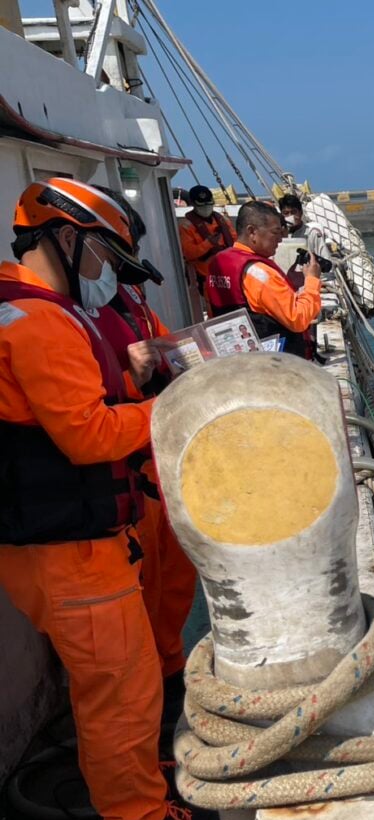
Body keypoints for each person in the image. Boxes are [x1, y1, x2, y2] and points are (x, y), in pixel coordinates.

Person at [0, 177, 215, 820]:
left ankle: (139, 782)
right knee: (119, 690)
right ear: (67, 238)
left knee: (124, 682)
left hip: (65, 544)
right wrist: (172, 410)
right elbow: (88, 436)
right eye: (100, 255)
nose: (104, 273)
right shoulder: (37, 323)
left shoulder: (30, 310)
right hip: (72, 553)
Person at [90, 188, 198, 738]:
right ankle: (156, 700)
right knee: (142, 595)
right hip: (127, 473)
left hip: (155, 465)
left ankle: (172, 669)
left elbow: (167, 348)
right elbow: (90, 413)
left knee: (174, 579)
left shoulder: (131, 304)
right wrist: (137, 379)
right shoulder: (77, 320)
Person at [205, 200, 321, 358]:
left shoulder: (217, 264)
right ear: (252, 231)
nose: (280, 240)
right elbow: (298, 320)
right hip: (275, 364)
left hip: (235, 357)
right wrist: (312, 281)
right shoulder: (261, 273)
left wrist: (289, 282)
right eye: (275, 232)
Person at [177, 185, 234, 292]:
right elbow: (189, 253)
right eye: (202, 205)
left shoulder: (223, 221)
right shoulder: (186, 226)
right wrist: (208, 243)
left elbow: (235, 242)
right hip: (207, 276)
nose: (206, 207)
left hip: (229, 271)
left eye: (208, 204)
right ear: (193, 204)